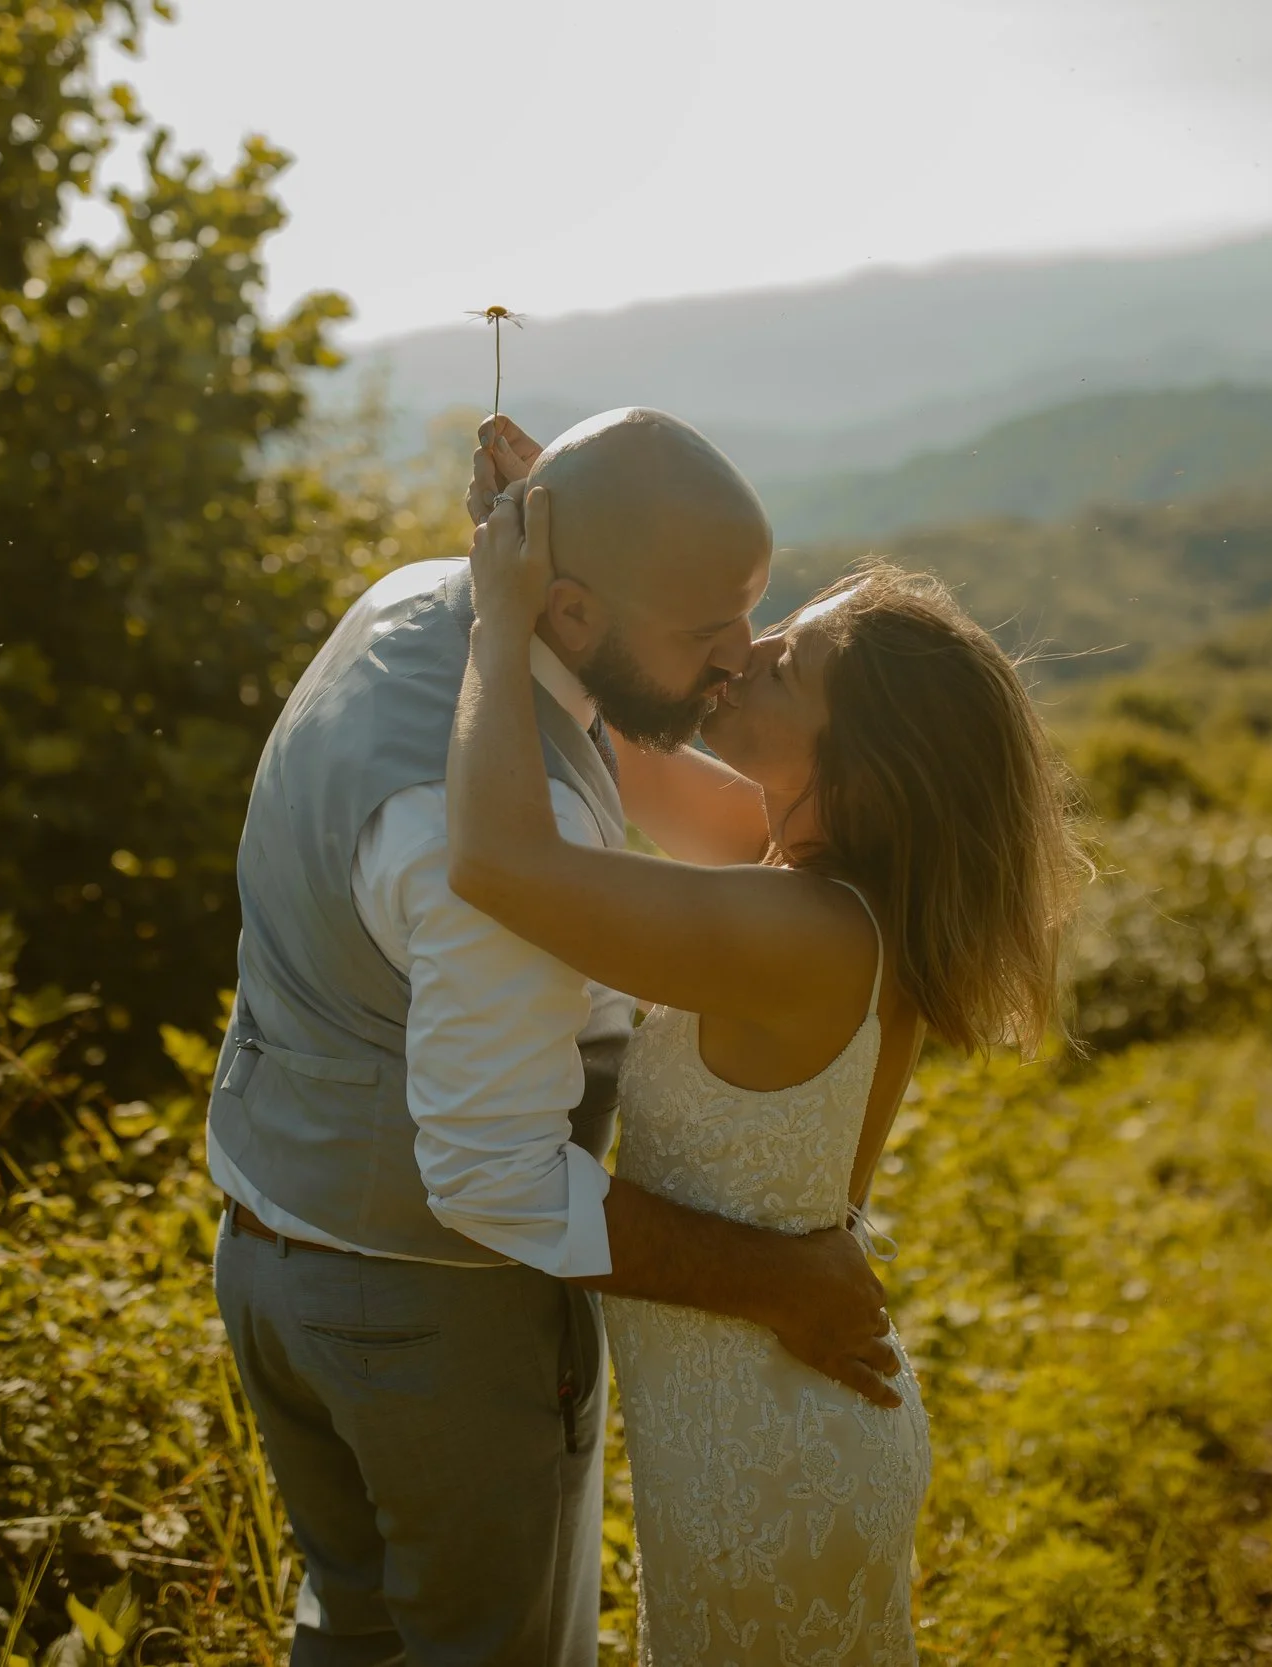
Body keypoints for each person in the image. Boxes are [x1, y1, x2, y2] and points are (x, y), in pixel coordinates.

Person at [206, 406, 904, 1667]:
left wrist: (543, 549)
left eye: (751, 611)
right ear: (568, 612)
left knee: (353, 1628)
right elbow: (493, 1177)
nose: (738, 656)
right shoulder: (489, 841)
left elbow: (678, 791)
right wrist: (775, 1279)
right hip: (432, 1323)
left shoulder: (411, 606)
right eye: (707, 630)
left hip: (271, 1254)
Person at [448, 423, 1080, 1665]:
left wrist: (489, 617)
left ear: (863, 767)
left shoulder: (800, 931)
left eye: (788, 664)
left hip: (768, 1459)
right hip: (773, 1440)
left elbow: (494, 860)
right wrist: (549, 564)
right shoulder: (811, 885)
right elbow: (622, 739)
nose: (743, 657)